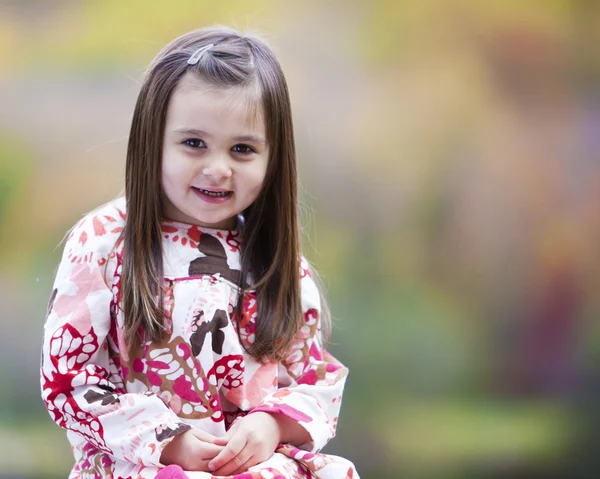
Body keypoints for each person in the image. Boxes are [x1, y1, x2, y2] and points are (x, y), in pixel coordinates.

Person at [40, 26, 358, 479]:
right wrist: (171, 443)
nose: (217, 168)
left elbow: (313, 380)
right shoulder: (106, 242)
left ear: (273, 159)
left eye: (243, 149)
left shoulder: (274, 262)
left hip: (247, 466)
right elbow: (69, 382)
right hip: (140, 462)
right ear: (154, 139)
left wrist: (270, 425)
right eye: (194, 143)